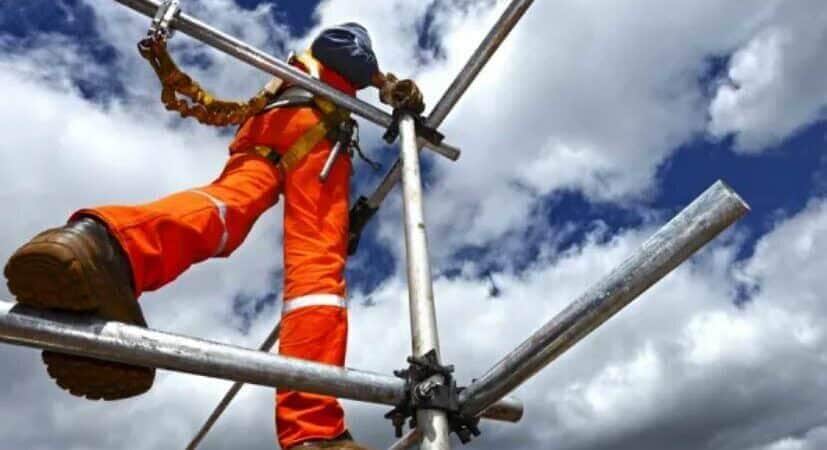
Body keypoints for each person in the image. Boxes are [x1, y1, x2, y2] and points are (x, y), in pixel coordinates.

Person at [3, 23, 424, 450]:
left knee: (225, 211)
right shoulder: (339, 43)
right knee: (315, 273)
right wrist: (382, 82)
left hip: (267, 134)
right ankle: (314, 428)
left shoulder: (293, 71)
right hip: (314, 128)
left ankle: (108, 246)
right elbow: (342, 49)